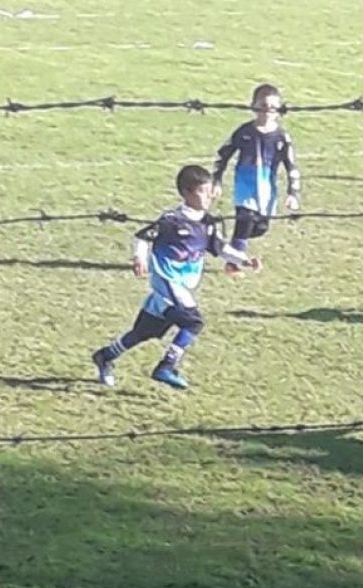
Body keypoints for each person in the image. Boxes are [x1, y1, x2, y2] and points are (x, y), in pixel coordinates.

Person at [92, 165, 259, 390]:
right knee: (194, 321)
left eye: (210, 190)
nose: (209, 195)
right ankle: (166, 366)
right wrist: (139, 258)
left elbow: (221, 249)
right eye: (203, 191)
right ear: (187, 193)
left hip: (182, 284)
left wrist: (244, 260)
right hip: (167, 280)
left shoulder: (209, 223)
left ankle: (105, 356)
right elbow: (144, 237)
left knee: (144, 331)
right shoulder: (172, 220)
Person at [212, 83, 302, 275]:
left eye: (272, 106)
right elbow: (223, 155)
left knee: (260, 227)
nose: (267, 110)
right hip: (244, 186)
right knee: (245, 220)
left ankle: (231, 246)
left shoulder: (282, 137)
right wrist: (216, 179)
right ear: (253, 106)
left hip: (266, 190)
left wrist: (293, 193)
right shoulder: (244, 132)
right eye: (262, 105)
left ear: (279, 109)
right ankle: (234, 263)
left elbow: (291, 166)